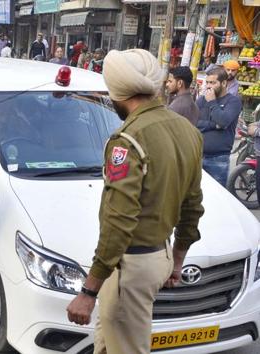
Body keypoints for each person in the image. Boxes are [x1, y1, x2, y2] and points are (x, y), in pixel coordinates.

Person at [66, 49, 204, 354]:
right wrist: (177, 259)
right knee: (108, 342)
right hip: (161, 255)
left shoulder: (127, 140)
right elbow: (192, 205)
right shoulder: (188, 131)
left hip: (131, 266)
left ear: (116, 93)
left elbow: (118, 222)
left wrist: (90, 290)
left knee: (126, 347)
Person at [196, 67, 243, 186]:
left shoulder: (233, 101)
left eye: (213, 83)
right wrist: (213, 125)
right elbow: (193, 122)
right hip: (197, 155)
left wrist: (212, 102)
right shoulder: (202, 100)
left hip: (218, 159)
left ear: (223, 83)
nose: (208, 86)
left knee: (217, 198)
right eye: (207, 82)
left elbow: (223, 121)